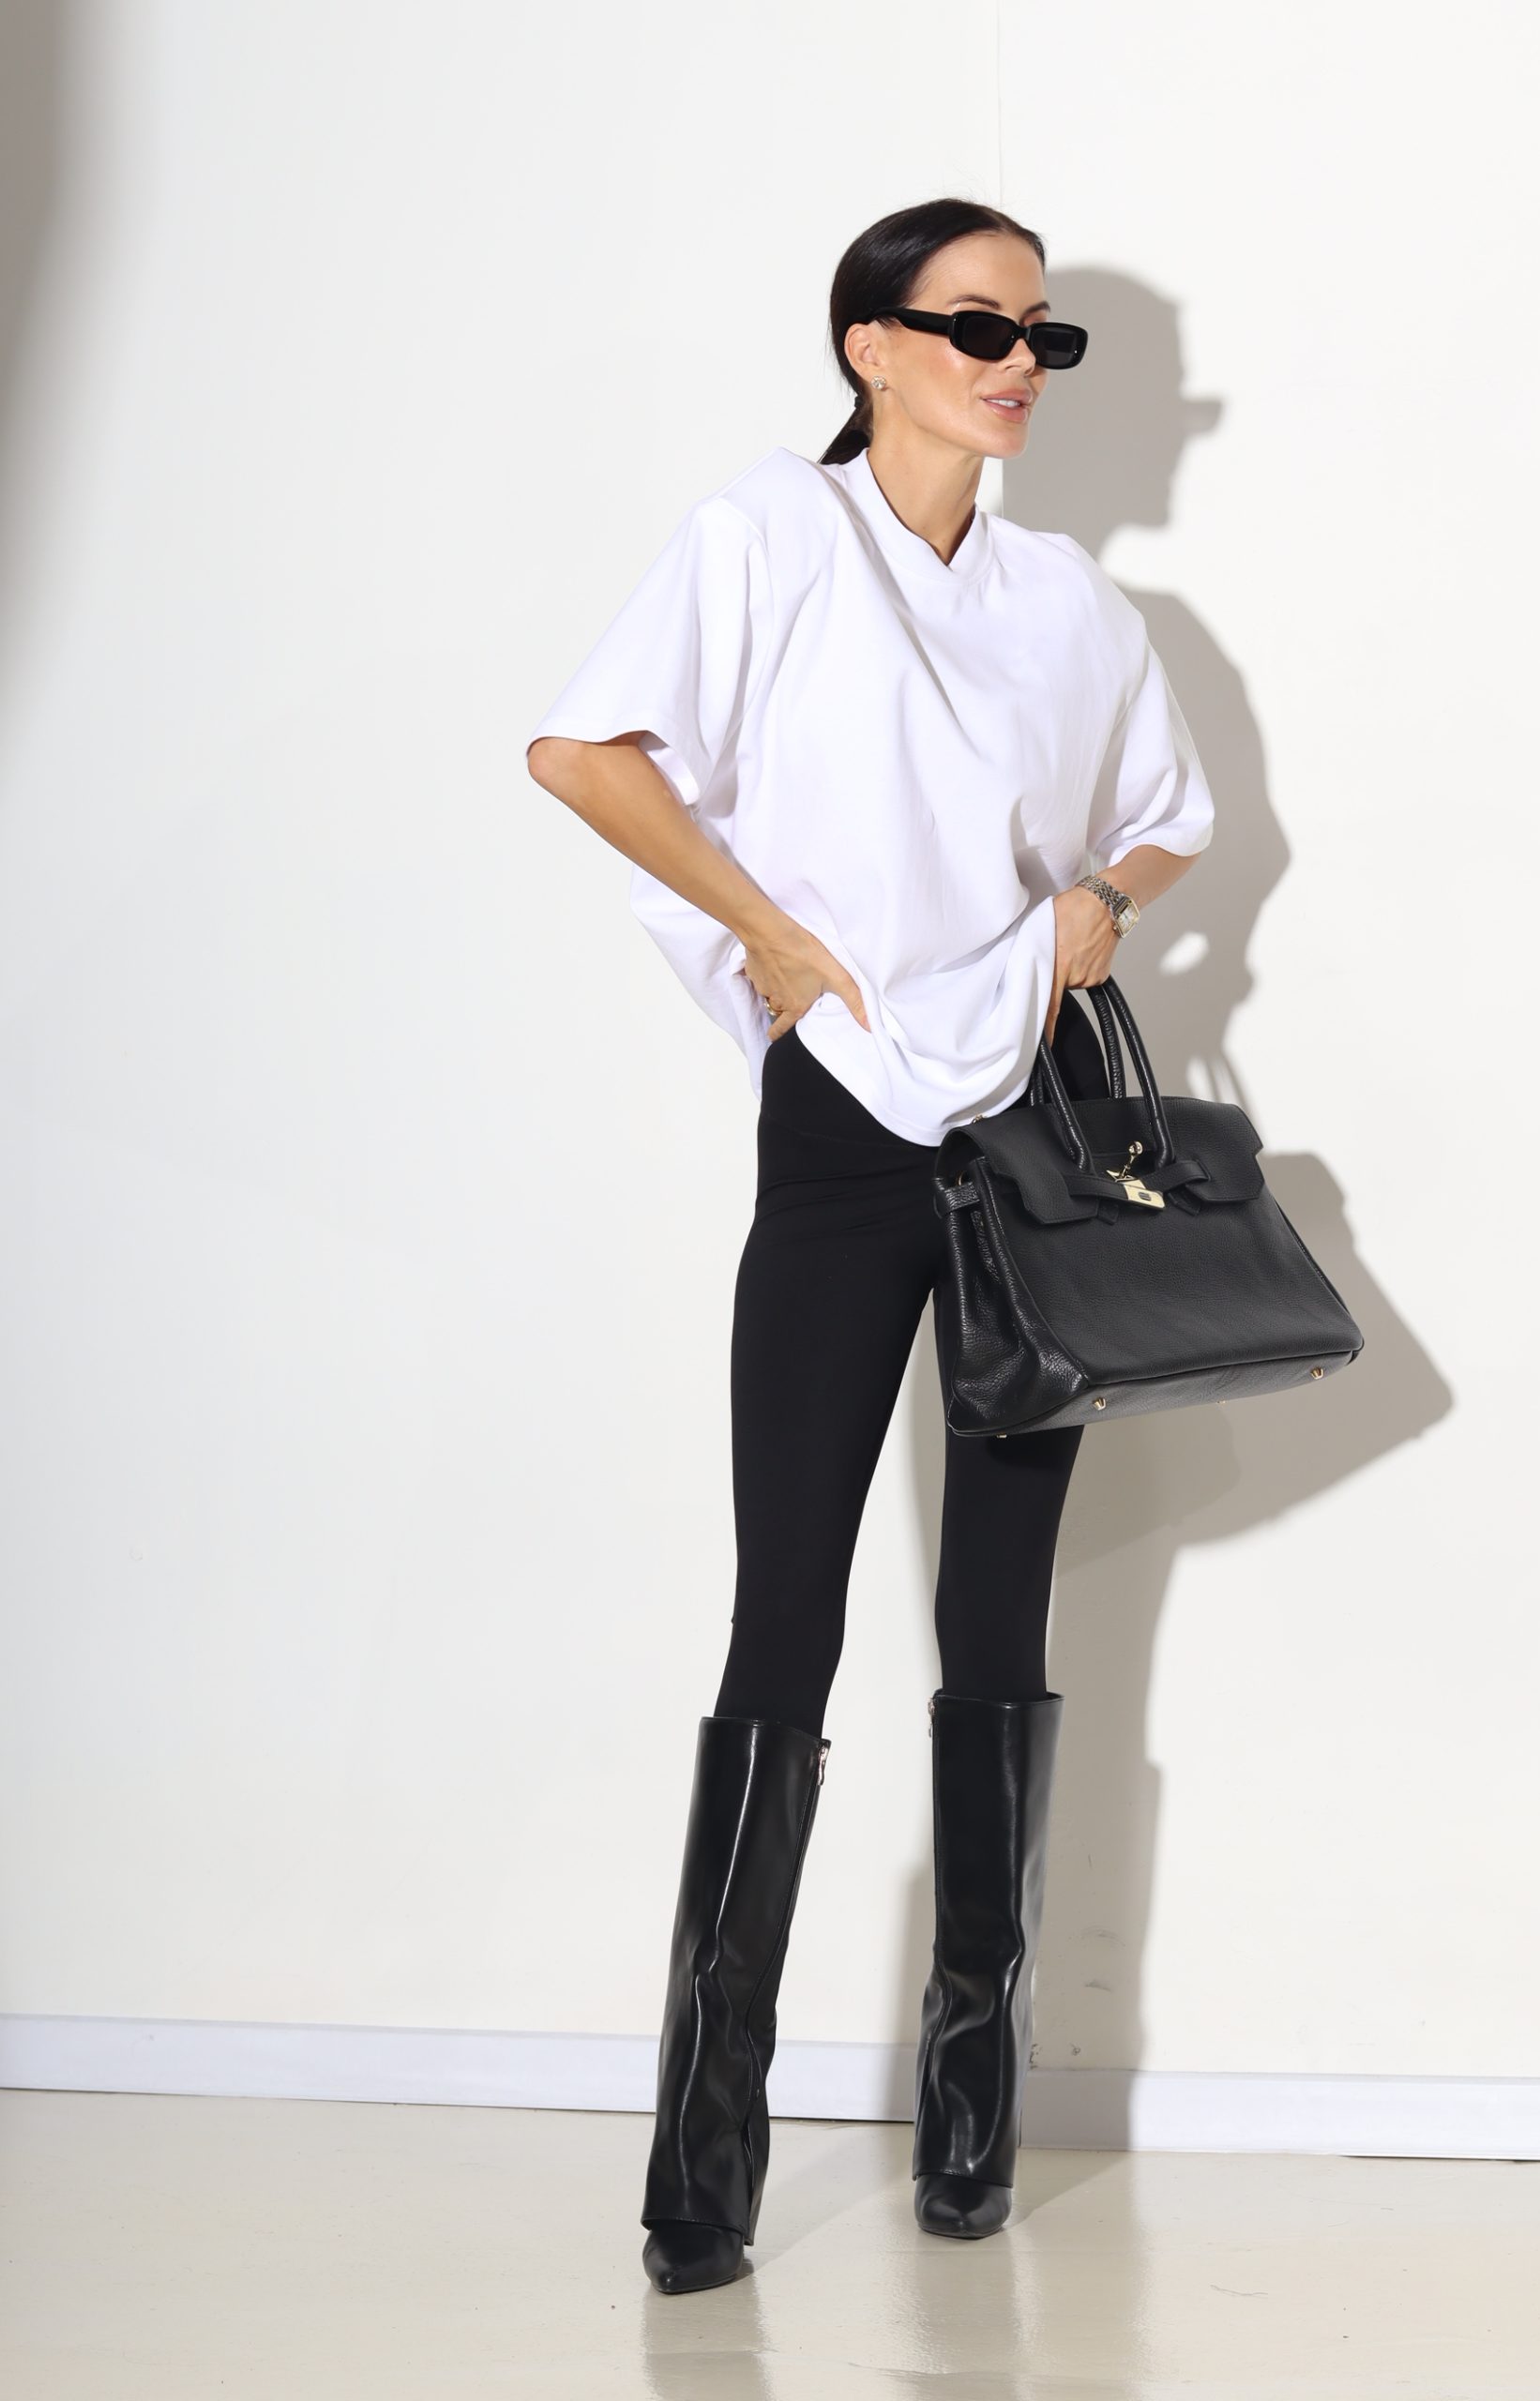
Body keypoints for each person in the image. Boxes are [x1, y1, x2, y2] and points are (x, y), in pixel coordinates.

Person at [524, 197, 1214, 2296]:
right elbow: (583, 752)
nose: (1017, 364)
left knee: (998, 1611)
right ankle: (703, 2161)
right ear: (871, 345)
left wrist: (1102, 904)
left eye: (1044, 337)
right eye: (977, 326)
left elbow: (1169, 808)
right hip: (840, 1121)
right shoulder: (767, 536)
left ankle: (974, 2122)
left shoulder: (1069, 603)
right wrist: (766, 933)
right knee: (790, 1613)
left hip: (1030, 1132)